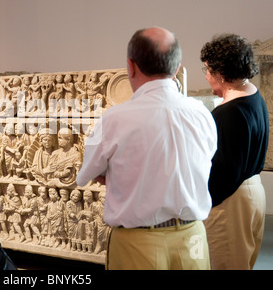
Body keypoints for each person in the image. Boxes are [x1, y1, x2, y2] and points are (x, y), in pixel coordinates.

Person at [76, 27, 218, 270]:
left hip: (137, 243)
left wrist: (121, 174)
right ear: (176, 68)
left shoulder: (114, 119)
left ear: (130, 66)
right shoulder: (201, 113)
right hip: (192, 238)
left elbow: (85, 175)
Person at [200, 34, 269, 270]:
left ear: (221, 73)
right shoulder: (254, 95)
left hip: (231, 202)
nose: (207, 76)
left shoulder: (228, 112)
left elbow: (224, 171)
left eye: (207, 70)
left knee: (224, 264)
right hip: (252, 193)